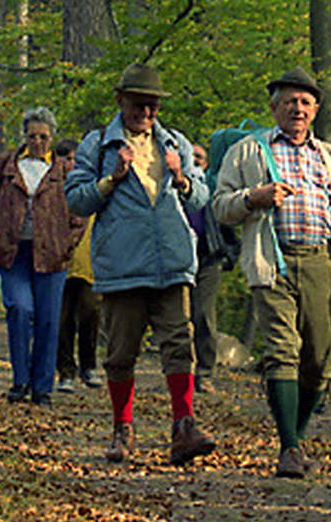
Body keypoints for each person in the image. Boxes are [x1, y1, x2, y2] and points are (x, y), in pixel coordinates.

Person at [213, 68, 331, 479]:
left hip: (322, 262)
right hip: (272, 261)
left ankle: (296, 439)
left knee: (318, 360)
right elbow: (220, 206)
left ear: (316, 110)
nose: (297, 109)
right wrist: (254, 197)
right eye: (290, 101)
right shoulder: (249, 151)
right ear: (274, 108)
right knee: (282, 351)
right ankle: (288, 448)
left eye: (305, 102)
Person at [65, 63, 217, 466]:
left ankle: (183, 426)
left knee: (179, 345)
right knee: (120, 352)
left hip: (172, 261)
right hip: (123, 264)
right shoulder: (97, 145)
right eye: (138, 105)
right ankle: (123, 429)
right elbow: (76, 200)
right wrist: (110, 180)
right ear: (120, 102)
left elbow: (202, 199)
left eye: (151, 107)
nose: (145, 114)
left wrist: (182, 178)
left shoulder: (175, 144)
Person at [0, 107, 86, 404]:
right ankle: (20, 380)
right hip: (14, 254)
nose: (38, 142)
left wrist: (67, 243)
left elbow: (79, 213)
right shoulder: (3, 166)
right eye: (32, 136)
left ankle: (42, 387)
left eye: (44, 136)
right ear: (24, 136)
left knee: (48, 320)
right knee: (19, 310)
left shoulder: (64, 171)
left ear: (52, 137)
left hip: (52, 256)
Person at [54, 134, 101, 392]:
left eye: (75, 158)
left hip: (88, 263)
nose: (71, 163)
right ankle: (65, 371)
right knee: (62, 320)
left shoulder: (89, 186)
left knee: (90, 313)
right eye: (66, 158)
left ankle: (89, 365)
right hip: (59, 263)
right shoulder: (50, 188)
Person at [185, 141, 226, 393]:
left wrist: (228, 253)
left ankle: (205, 372)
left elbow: (227, 221)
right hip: (179, 259)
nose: (196, 159)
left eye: (199, 156)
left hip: (209, 258)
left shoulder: (214, 186)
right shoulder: (175, 185)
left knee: (203, 314)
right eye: (191, 156)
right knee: (180, 316)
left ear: (207, 162)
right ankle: (181, 371)